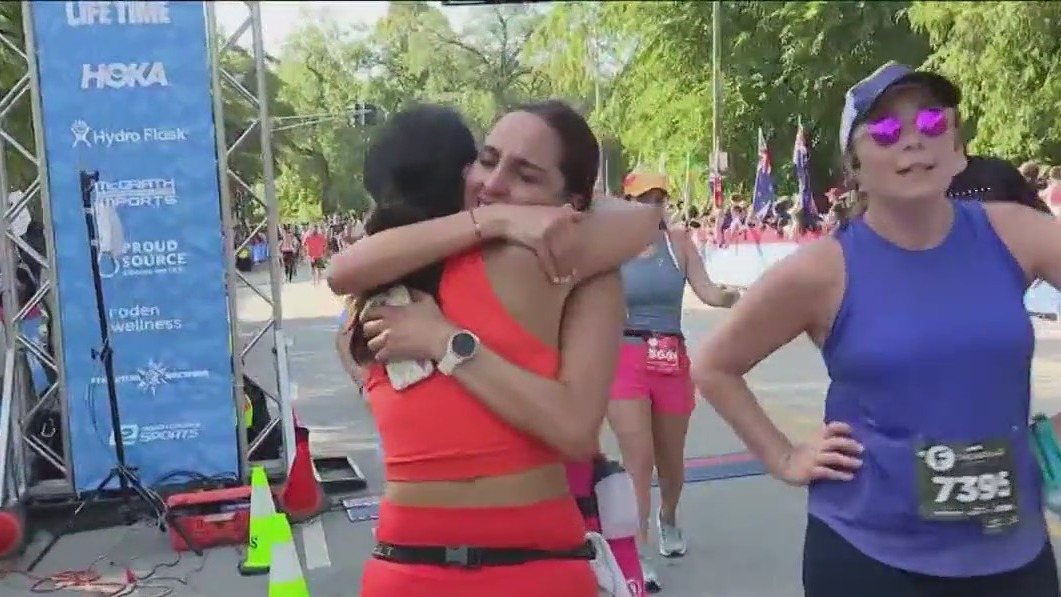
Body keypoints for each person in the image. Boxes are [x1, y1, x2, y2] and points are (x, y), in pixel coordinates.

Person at [693, 61, 1061, 596]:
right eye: (887, 129)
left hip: (1011, 554)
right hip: (870, 556)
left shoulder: (1017, 233)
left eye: (933, 123)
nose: (913, 140)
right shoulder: (823, 270)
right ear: (855, 168)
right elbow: (714, 366)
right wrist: (784, 455)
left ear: (957, 149)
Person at [330, 102, 662, 597]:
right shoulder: (529, 263)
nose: (494, 185)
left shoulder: (377, 292)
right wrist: (504, 219)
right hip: (471, 568)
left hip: (494, 570)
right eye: (487, 161)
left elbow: (341, 274)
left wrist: (447, 343)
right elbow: (640, 218)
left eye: (524, 175)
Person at [608, 171, 739, 591]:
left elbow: (707, 291)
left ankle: (668, 517)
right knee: (637, 462)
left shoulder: (678, 244)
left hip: (670, 357)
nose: (651, 206)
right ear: (626, 203)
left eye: (658, 198)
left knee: (671, 461)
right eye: (642, 199)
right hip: (625, 357)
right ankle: (640, 552)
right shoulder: (610, 249)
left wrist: (731, 297)